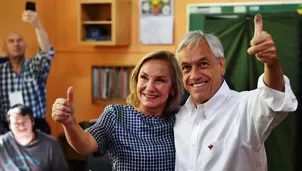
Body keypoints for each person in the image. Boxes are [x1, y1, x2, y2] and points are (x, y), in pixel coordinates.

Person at [173, 14, 298, 171]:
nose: (194, 75)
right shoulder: (178, 117)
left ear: (221, 64)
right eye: (186, 67)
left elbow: (274, 97)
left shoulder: (245, 108)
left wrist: (271, 64)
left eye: (203, 64)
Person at [52, 50, 184, 170]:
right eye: (144, 77)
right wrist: (69, 123)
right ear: (136, 80)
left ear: (173, 88)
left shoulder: (181, 117)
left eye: (159, 80)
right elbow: (85, 144)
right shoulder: (116, 115)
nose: (149, 87)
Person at [0, 10, 54, 134]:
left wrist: (36, 24)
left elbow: (46, 52)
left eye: (19, 40)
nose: (16, 44)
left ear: (25, 46)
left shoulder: (35, 66)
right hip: (8, 130)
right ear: (5, 49)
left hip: (36, 128)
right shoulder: (1, 72)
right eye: (11, 41)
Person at [0, 104, 69, 171]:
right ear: (9, 125)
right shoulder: (1, 144)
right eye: (16, 123)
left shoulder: (51, 145)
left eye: (25, 121)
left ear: (32, 122)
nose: (21, 126)